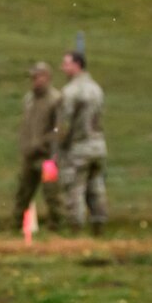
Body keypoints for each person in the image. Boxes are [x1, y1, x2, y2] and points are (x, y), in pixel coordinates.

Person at [57, 50, 107, 234]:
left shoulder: (70, 92)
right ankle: (99, 226)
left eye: (66, 63)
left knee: (74, 190)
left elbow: (64, 125)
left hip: (78, 148)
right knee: (96, 188)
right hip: (98, 146)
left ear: (77, 65)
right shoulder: (97, 89)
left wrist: (58, 145)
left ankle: (75, 230)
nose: (63, 67)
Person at [14, 61, 67, 230]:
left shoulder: (56, 100)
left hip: (48, 157)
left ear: (47, 77)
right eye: (33, 78)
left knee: (52, 194)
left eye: (38, 77)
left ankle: (57, 226)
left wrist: (43, 143)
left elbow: (60, 129)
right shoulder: (29, 99)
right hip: (30, 155)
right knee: (23, 192)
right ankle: (15, 225)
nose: (35, 81)